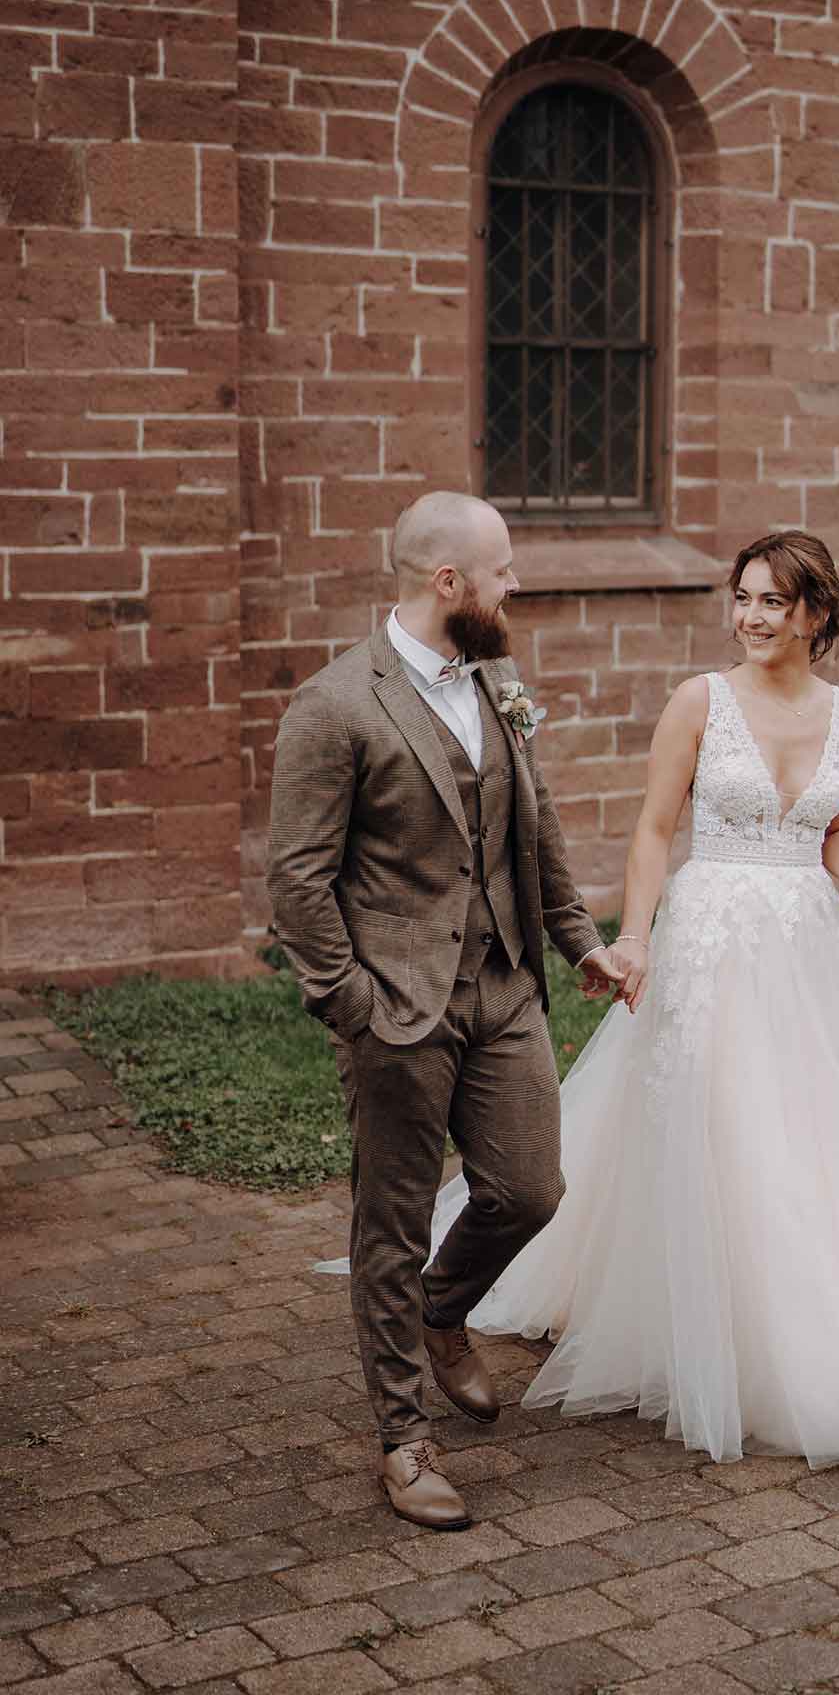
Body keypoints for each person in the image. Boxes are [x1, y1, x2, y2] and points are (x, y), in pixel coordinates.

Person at [419, 529, 839, 1470]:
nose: (752, 617)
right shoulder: (700, 702)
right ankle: (698, 1322)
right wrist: (634, 937)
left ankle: (818, 1335)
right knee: (726, 1130)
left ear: (817, 613)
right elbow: (656, 830)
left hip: (808, 948)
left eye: (775, 601)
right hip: (712, 940)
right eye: (744, 598)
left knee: (817, 1133)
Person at [268, 492, 624, 1529]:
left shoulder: (497, 679)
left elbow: (536, 826)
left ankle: (442, 1307)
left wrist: (579, 941)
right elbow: (297, 880)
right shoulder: (333, 707)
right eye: (503, 571)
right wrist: (351, 1003)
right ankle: (402, 1438)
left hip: (504, 985)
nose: (515, 587)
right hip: (397, 1006)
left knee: (529, 1190)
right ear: (448, 584)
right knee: (389, 1220)